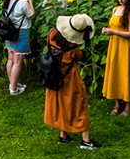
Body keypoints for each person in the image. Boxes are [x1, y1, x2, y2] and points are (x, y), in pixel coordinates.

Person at [44, 14, 102, 149]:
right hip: (70, 77)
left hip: (54, 74)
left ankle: (63, 135)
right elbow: (78, 57)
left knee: (61, 103)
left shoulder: (51, 34)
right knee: (78, 104)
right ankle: (86, 140)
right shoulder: (72, 45)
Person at [101, 0, 130, 116]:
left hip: (124, 45)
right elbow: (113, 25)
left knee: (124, 72)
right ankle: (117, 103)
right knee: (114, 71)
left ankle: (128, 105)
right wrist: (106, 30)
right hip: (114, 44)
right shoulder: (115, 9)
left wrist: (114, 32)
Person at [2, 0, 35, 95]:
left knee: (11, 58)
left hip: (10, 32)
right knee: (18, 60)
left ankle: (12, 83)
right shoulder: (22, 3)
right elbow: (31, 15)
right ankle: (14, 88)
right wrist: (30, 1)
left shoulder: (7, 1)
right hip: (21, 33)